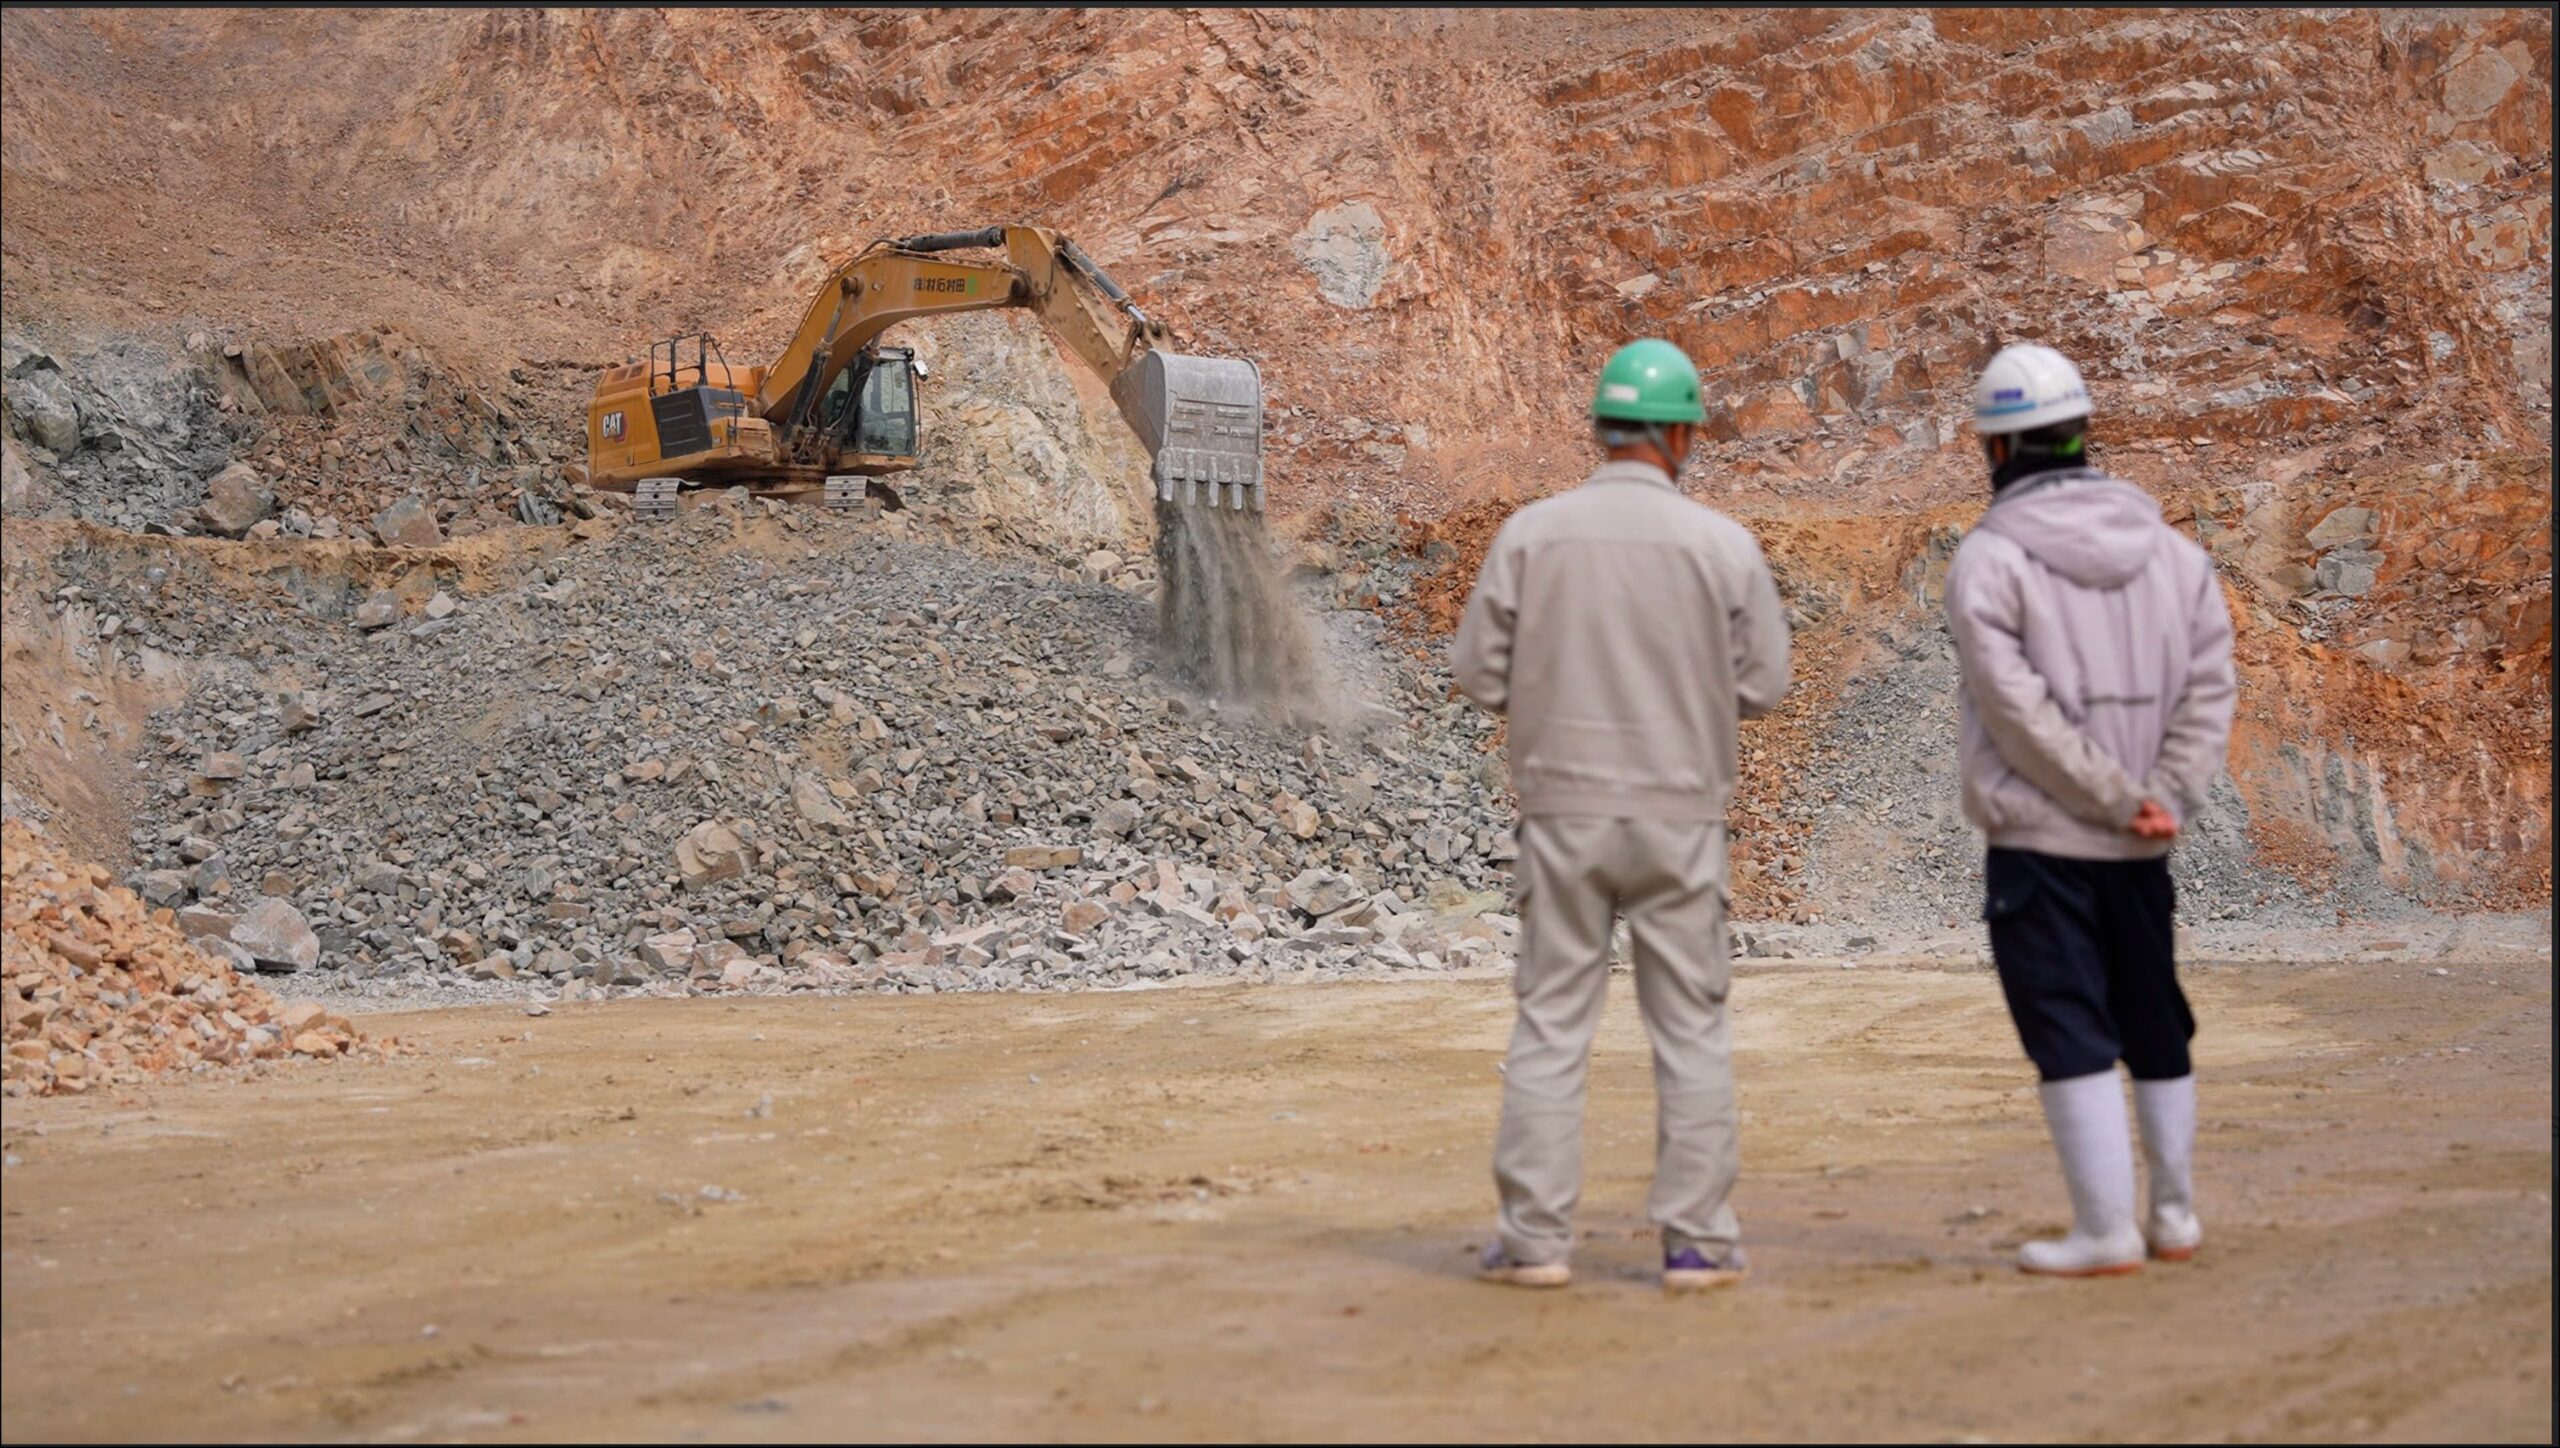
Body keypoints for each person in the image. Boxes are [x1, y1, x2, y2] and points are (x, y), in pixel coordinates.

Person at [1451, 338, 1791, 1293]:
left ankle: (1533, 1242)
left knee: (1553, 1023)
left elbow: (1477, 673)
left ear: (1601, 427)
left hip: (1562, 811)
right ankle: (1696, 1243)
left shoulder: (1530, 534)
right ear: (1681, 433)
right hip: (1681, 815)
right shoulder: (1723, 544)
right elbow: (1765, 685)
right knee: (1689, 1027)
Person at [1943, 342, 2236, 1276]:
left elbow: (2016, 714)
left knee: (2066, 1019)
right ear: (2081, 434)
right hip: (2145, 843)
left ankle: (2106, 1231)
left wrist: (2114, 799)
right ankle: (2176, 1218)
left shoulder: (1989, 562)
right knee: (2155, 1012)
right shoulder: (2176, 556)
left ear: (1993, 450)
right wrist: (2163, 797)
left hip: (2044, 840)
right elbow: (2209, 688)